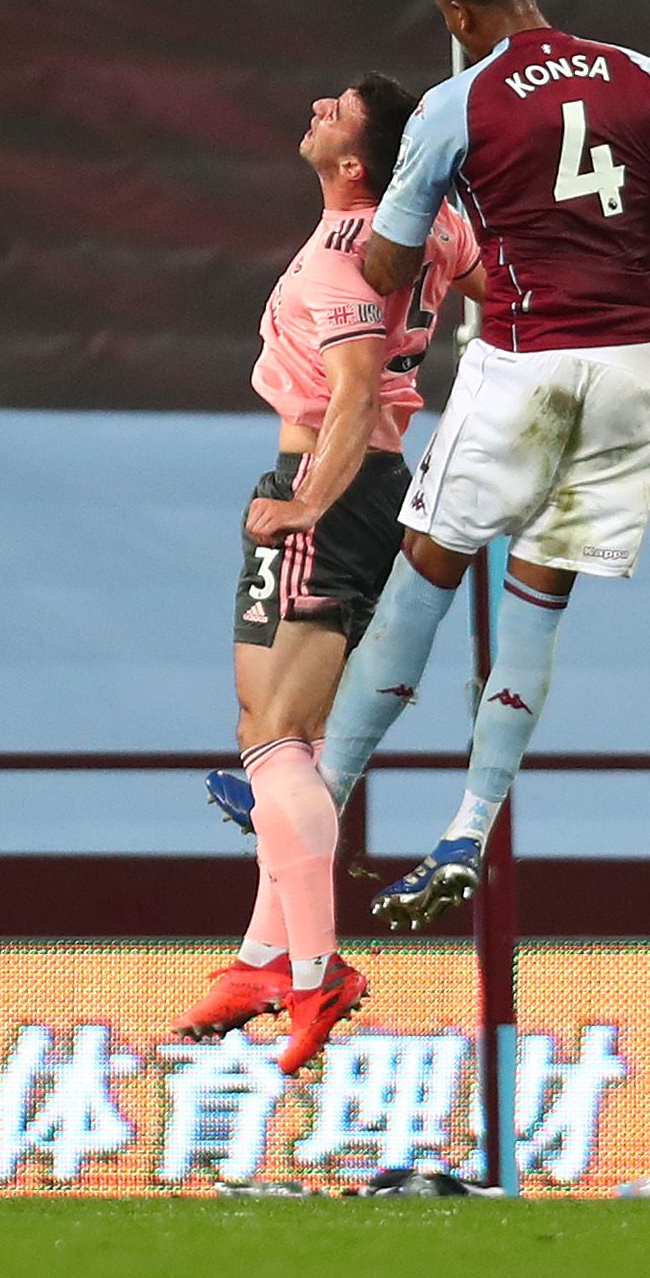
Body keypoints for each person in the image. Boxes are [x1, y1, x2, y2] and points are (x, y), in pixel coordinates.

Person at [315, 0, 650, 928]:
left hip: (526, 361)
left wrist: (396, 217)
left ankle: (321, 793)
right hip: (632, 373)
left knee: (426, 564)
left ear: (457, 15)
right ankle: (469, 823)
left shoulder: (455, 103)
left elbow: (384, 268)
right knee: (538, 603)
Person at [174, 76, 477, 1075]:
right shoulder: (435, 228)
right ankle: (263, 957)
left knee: (273, 737)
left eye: (336, 110)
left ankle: (313, 970)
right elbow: (489, 280)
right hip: (381, 487)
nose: (313, 104)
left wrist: (305, 499)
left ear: (355, 165)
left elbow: (351, 388)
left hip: (329, 481)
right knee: (280, 739)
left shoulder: (335, 262)